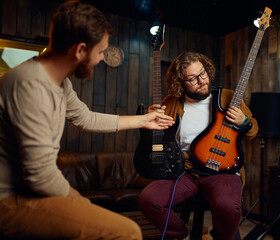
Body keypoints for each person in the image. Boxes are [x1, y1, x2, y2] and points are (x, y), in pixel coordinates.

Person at [0, 1, 175, 239]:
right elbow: (40, 175)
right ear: (80, 50)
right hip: (10, 199)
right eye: (101, 51)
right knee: (128, 231)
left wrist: (144, 120)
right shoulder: (30, 85)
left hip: (29, 192)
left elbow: (85, 118)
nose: (102, 58)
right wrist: (78, 200)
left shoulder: (60, 82)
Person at [138, 52, 259, 240]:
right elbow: (158, 136)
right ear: (180, 83)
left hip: (222, 171)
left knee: (228, 207)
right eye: (192, 79)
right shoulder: (171, 102)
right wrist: (149, 119)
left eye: (202, 73)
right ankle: (182, 234)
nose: (202, 81)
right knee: (148, 200)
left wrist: (245, 122)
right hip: (185, 171)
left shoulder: (228, 97)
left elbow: (252, 132)